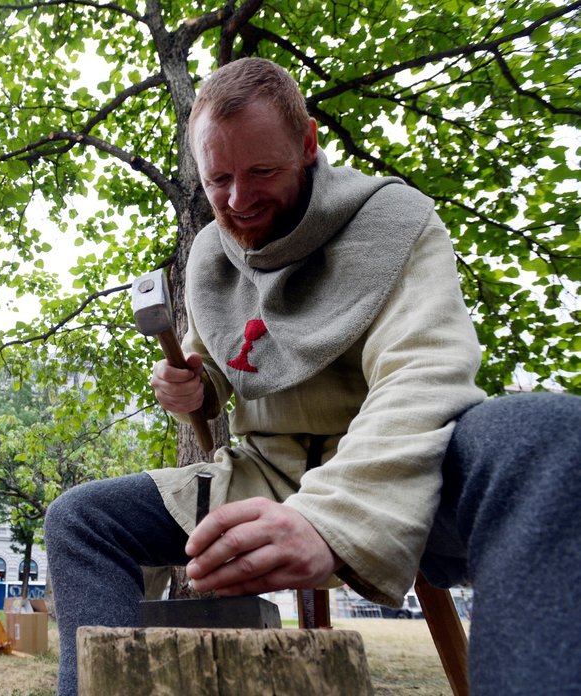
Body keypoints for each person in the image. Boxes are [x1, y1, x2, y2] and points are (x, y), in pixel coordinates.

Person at [46, 57, 581, 696]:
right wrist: (195, 389)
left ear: (307, 145)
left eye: (263, 171)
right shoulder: (210, 258)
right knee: (80, 518)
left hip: (399, 471)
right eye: (219, 180)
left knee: (545, 432)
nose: (239, 201)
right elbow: (218, 371)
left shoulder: (394, 222)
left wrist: (329, 518)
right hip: (264, 476)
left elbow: (423, 373)